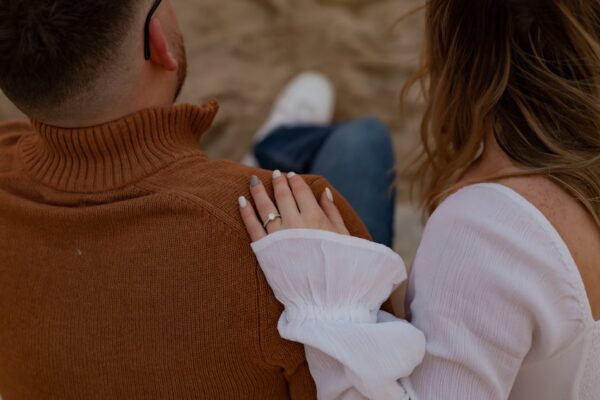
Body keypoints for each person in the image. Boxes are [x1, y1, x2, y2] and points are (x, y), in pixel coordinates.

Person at [0, 1, 374, 399]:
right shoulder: (289, 254)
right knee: (363, 143)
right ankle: (270, 153)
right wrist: (340, 294)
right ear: (158, 44)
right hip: (272, 226)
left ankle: (269, 151)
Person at [237, 0, 600, 399]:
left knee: (360, 145)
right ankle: (279, 145)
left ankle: (272, 152)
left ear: (455, 50)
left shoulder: (487, 228)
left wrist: (327, 298)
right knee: (362, 142)